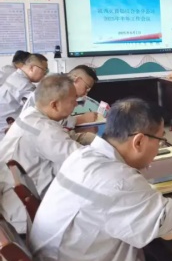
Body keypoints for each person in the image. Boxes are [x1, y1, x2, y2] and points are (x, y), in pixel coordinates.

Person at [30, 98, 172, 261]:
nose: (159, 148)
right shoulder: (118, 180)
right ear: (139, 141)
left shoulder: (82, 156)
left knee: (162, 260)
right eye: (160, 140)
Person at [0, 75, 81, 233]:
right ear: (54, 104)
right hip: (25, 218)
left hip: (13, 204)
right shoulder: (43, 129)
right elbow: (80, 159)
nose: (76, 104)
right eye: (73, 100)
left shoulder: (30, 115)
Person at [22, 65, 99, 144]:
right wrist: (80, 120)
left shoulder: (60, 91)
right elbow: (56, 135)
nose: (85, 94)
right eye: (86, 88)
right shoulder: (52, 89)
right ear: (77, 80)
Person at [0, 54, 48, 137]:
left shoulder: (17, 77)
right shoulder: (23, 85)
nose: (45, 74)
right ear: (32, 67)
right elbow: (41, 107)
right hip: (5, 133)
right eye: (44, 70)